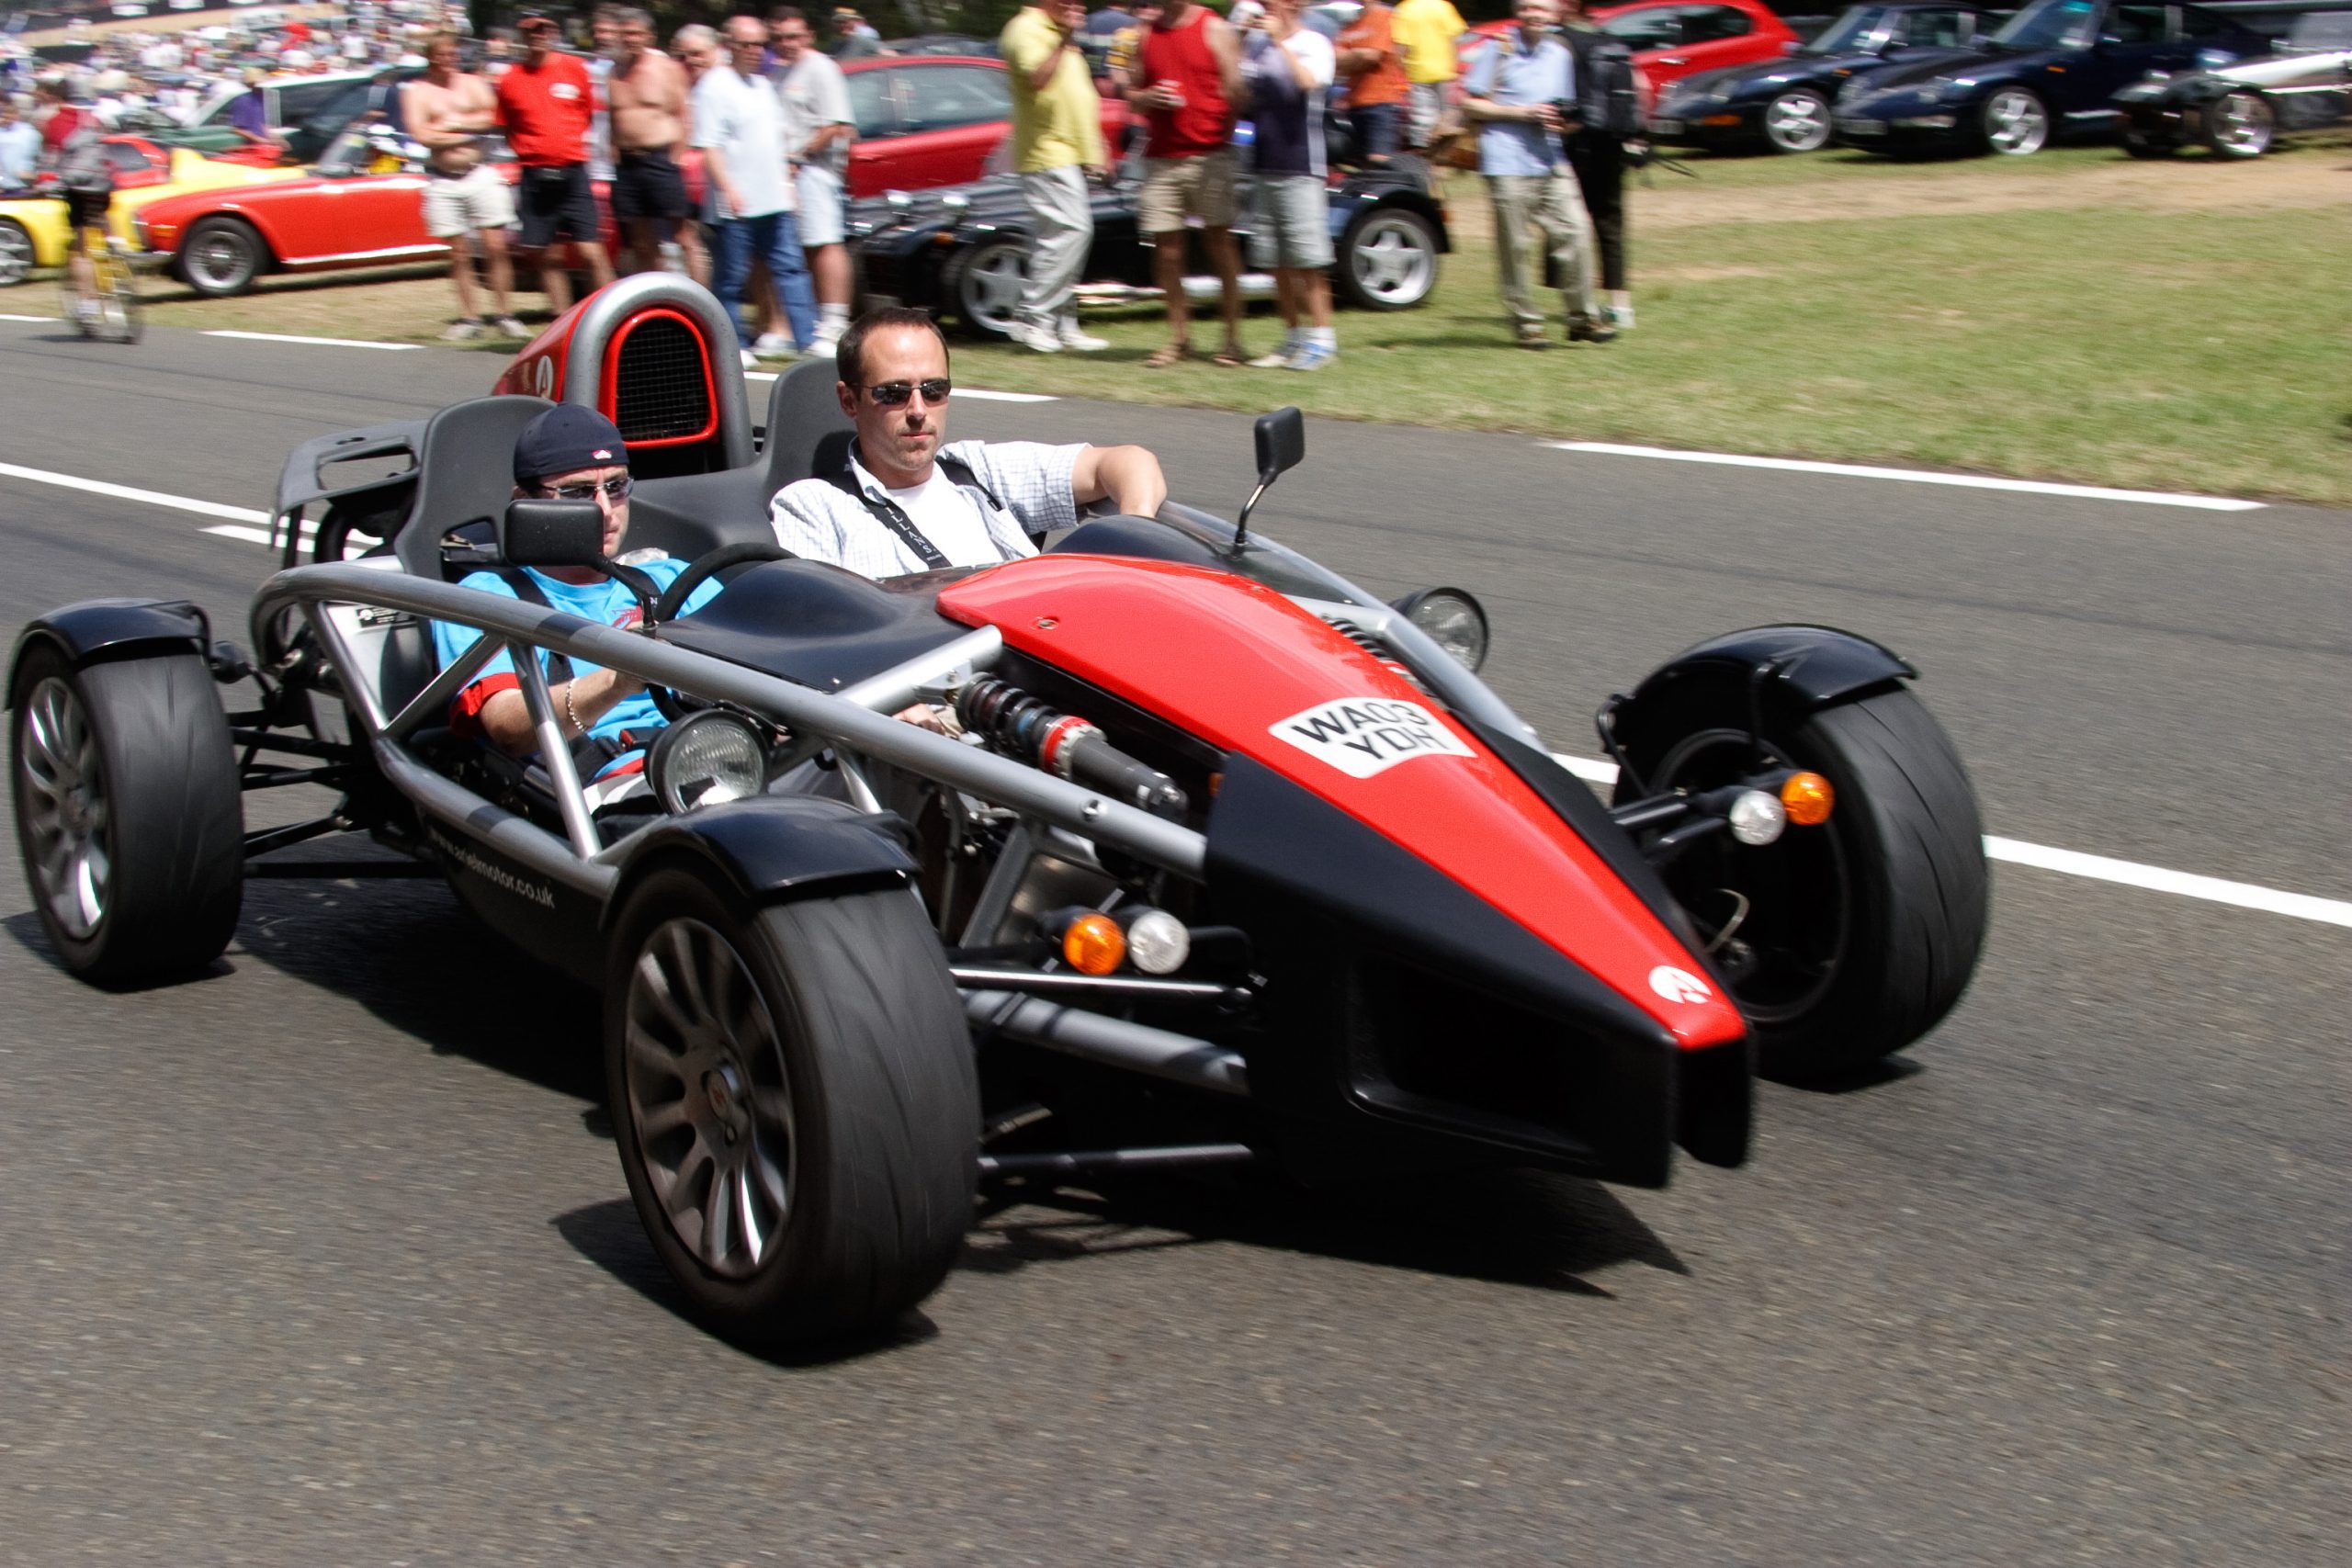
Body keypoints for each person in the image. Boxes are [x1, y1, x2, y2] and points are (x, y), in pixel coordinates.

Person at [432, 405, 720, 795]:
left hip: (729, 752)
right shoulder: (487, 597)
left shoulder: (673, 578)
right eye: (578, 492)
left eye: (616, 487)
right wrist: (619, 678)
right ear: (526, 502)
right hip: (622, 782)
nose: (605, 510)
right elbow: (507, 727)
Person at [769, 309, 1167, 576]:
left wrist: (1134, 536)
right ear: (849, 401)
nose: (918, 410)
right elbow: (817, 631)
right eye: (893, 393)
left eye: (934, 389)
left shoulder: (977, 471)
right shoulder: (812, 506)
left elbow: (1129, 462)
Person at [1462, 0, 1609, 348]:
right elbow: (1470, 103)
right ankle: (1527, 323)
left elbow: (1562, 107)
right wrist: (1523, 113)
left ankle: (1582, 317)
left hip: (1550, 158)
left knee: (1576, 231)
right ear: (1518, 12)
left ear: (1555, 13)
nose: (1534, 15)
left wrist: (1566, 121)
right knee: (1515, 246)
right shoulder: (1499, 48)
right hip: (1506, 160)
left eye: (1541, 8)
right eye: (1527, 7)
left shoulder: (1560, 53)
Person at [693, 15, 818, 365]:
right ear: (729, 46)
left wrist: (786, 185)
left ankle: (807, 338)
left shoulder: (763, 86)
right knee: (731, 278)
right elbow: (710, 147)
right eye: (746, 44)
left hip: (773, 200)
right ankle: (733, 344)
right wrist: (727, 188)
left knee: (791, 270)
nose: (755, 51)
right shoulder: (714, 86)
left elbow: (775, 143)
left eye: (760, 44)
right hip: (736, 204)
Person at [1129, 0, 1244, 369]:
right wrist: (1148, 98)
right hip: (1161, 158)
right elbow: (1132, 96)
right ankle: (1179, 339)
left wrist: (1221, 135)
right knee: (1167, 252)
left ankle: (1232, 339)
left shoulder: (1214, 28)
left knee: (1220, 245)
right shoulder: (1145, 34)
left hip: (1209, 155)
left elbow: (1237, 93)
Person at [1000, 0, 1109, 356]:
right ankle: (1033, 317)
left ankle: (1062, 322)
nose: (1075, 6)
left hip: (1069, 151)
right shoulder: (1025, 29)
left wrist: (1096, 146)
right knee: (1072, 231)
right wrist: (1064, 39)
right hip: (1046, 152)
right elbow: (1037, 78)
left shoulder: (1059, 33)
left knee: (1062, 238)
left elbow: (1074, 96)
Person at [495, 9, 616, 316]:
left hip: (573, 173)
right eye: (531, 31)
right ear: (522, 36)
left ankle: (610, 315)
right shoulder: (510, 79)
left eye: (543, 30)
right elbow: (507, 127)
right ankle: (562, 320)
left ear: (552, 34)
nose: (538, 36)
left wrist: (563, 145)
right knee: (549, 256)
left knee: (591, 251)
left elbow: (587, 114)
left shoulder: (574, 68)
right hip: (535, 176)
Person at [404, 30, 524, 340]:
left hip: (479, 172)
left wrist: (454, 126)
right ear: (430, 57)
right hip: (443, 179)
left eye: (452, 54)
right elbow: (422, 135)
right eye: (442, 55)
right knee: (458, 253)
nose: (449, 60)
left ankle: (505, 313)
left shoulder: (472, 83)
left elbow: (492, 118)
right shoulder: (418, 91)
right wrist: (468, 132)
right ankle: (470, 318)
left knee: (496, 246)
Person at [1240, 0, 1336, 371]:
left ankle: (1322, 340)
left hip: (1301, 164)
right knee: (1275, 261)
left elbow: (1308, 83)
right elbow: (1243, 94)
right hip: (1264, 162)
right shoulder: (1257, 45)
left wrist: (1280, 42)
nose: (1264, 7)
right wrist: (1241, 39)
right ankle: (1292, 337)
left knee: (1308, 261)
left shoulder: (1314, 43)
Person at [769, 7, 855, 356]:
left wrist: (798, 156)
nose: (785, 43)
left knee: (824, 242)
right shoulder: (779, 72)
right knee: (799, 247)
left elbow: (836, 125)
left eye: (793, 36)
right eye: (779, 37)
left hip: (815, 169)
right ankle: (802, 322)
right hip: (786, 172)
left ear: (808, 36)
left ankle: (835, 321)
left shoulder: (820, 68)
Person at [1559, 0, 1637, 330]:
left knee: (1569, 222)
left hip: (1574, 143)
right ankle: (1621, 306)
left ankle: (1579, 301)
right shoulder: (1611, 40)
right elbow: (1641, 87)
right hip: (1612, 142)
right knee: (1610, 224)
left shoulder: (1559, 42)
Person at [606, 6, 696, 279]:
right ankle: (656, 295)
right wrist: (614, 157)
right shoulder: (613, 73)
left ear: (649, 36)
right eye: (625, 33)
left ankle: (701, 296)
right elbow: (613, 120)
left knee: (683, 238)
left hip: (660, 159)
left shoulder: (667, 69)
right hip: (627, 165)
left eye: (636, 33)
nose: (630, 39)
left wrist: (676, 158)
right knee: (642, 242)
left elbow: (684, 115)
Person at [34, 77, 111, 324]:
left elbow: (49, 161)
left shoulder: (51, 123)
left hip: (76, 187)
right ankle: (117, 245)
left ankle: (89, 304)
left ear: (58, 97)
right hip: (102, 183)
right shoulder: (94, 119)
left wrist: (42, 181)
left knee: (80, 250)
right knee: (102, 217)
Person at [1334, 0, 1407, 164]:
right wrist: (1358, 55)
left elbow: (1371, 56)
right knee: (1355, 163)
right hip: (1353, 103)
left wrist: (1350, 57)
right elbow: (1335, 59)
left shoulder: (1383, 16)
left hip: (1381, 102)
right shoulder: (1351, 22)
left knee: (1379, 161)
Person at [1389, 0, 1464, 149]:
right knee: (1446, 116)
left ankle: (1422, 150)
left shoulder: (1405, 9)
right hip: (1445, 72)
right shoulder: (1444, 6)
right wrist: (1454, 66)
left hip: (1418, 72)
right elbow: (1455, 40)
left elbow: (1402, 45)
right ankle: (1444, 151)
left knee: (1422, 119)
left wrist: (1398, 66)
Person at [0, 96, 39, 191]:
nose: (7, 117)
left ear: (17, 115)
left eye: (10, 114)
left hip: (20, 182)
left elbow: (32, 156)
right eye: (4, 114)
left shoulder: (29, 133)